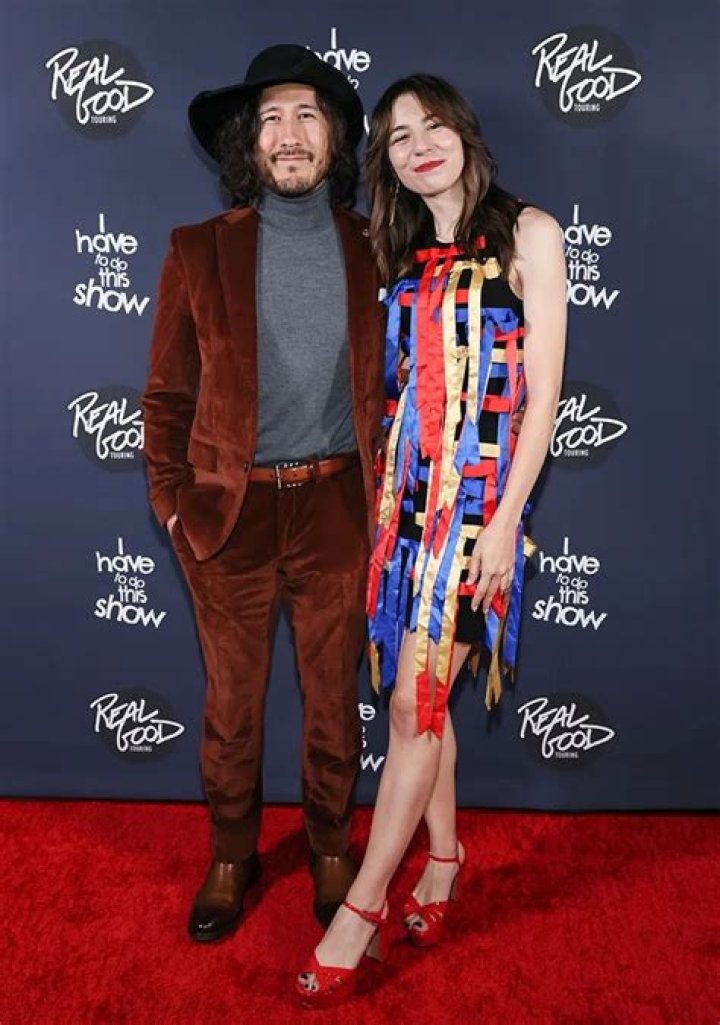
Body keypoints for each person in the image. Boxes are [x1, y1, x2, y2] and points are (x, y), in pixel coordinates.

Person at [296, 74, 567, 1008]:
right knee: (421, 698)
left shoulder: (531, 234)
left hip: (480, 514)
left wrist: (505, 522)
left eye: (434, 125)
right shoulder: (403, 250)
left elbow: (544, 396)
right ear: (389, 162)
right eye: (399, 136)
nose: (420, 145)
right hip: (404, 511)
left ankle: (362, 908)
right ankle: (444, 858)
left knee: (416, 702)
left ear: (464, 134)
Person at [142, 44, 384, 942]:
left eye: (308, 114)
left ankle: (330, 845)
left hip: (338, 508)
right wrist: (175, 504)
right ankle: (231, 854)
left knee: (333, 703)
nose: (289, 134)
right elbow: (166, 396)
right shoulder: (197, 250)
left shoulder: (377, 247)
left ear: (334, 139)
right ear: (249, 140)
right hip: (228, 515)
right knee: (232, 707)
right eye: (273, 117)